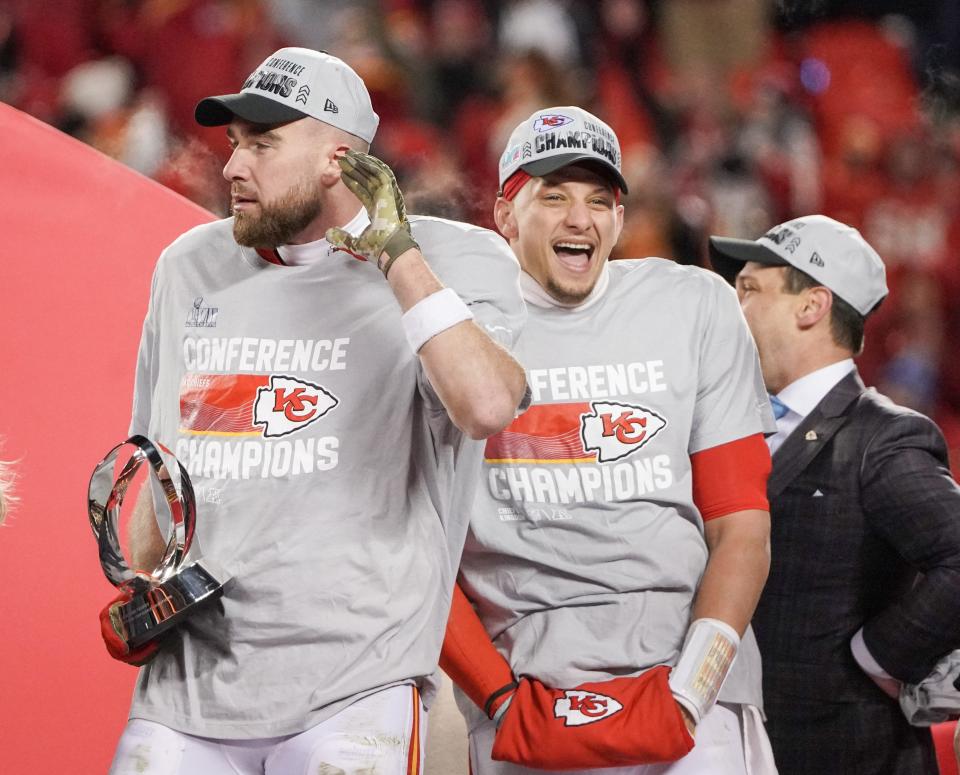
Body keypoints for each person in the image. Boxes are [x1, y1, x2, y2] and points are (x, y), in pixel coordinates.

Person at [103, 47, 529, 775]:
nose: (233, 166)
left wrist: (395, 251)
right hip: (186, 695)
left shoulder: (456, 258)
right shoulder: (187, 268)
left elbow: (487, 405)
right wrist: (141, 587)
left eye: (262, 145)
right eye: (235, 143)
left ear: (338, 160)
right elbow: (161, 480)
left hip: (353, 690)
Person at [440, 106, 778, 775]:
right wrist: (500, 696)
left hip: (689, 683)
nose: (580, 219)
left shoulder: (695, 305)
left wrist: (692, 690)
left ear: (620, 219)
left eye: (600, 200)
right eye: (554, 195)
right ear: (505, 214)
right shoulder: (450, 329)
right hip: (528, 692)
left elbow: (741, 528)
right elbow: (421, 553)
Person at [709, 214, 960, 775]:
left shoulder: (884, 438)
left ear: (811, 306)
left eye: (749, 288)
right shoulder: (729, 421)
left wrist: (880, 658)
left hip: (850, 752)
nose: (732, 304)